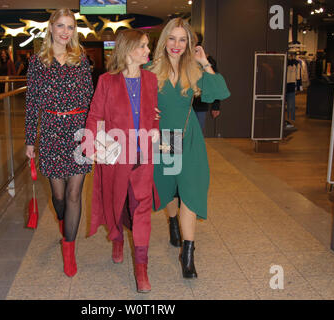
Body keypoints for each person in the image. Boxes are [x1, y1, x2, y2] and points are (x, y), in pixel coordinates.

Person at [147, 18, 230, 278]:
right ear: (164, 40)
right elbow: (132, 102)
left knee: (191, 191)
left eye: (183, 40)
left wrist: (205, 61)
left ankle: (188, 254)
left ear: (190, 44)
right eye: (172, 38)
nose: (177, 45)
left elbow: (220, 91)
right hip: (164, 138)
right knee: (169, 188)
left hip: (188, 135)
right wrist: (147, 111)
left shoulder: (194, 69)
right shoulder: (149, 69)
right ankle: (173, 221)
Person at [83, 29, 159, 293]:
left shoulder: (151, 79)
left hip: (143, 157)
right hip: (115, 156)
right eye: (143, 47)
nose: (148, 51)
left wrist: (156, 127)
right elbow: (94, 116)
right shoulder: (107, 81)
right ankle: (117, 238)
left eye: (147, 46)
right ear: (128, 51)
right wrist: (91, 144)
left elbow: (153, 114)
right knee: (116, 202)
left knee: (141, 209)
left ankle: (141, 268)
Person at [25, 9, 94, 278]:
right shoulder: (37, 62)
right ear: (51, 28)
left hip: (78, 132)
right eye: (61, 26)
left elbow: (90, 100)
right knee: (60, 197)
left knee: (75, 194)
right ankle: (64, 222)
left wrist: (94, 133)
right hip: (52, 131)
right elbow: (32, 103)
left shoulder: (81, 59)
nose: (66, 32)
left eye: (71, 27)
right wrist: (30, 139)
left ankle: (69, 249)